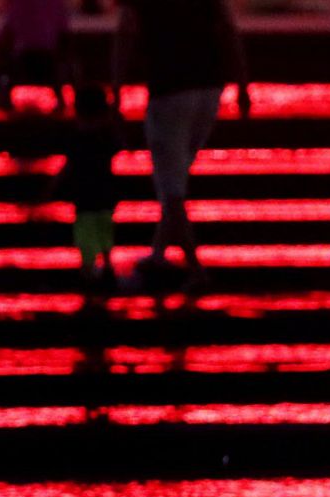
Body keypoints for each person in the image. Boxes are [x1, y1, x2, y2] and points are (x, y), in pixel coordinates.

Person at [112, 0, 250, 292]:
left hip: (170, 89)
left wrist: (116, 90)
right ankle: (158, 256)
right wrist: (241, 84)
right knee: (176, 177)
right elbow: (227, 28)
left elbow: (126, 34)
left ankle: (195, 268)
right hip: (208, 86)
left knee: (171, 186)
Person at [49, 84, 121, 290]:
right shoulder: (106, 136)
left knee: (85, 232)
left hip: (83, 195)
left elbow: (68, 165)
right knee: (104, 229)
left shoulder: (77, 138)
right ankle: (107, 265)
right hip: (105, 192)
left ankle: (88, 270)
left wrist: (52, 186)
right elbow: (120, 144)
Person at [0, 0, 73, 113]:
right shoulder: (56, 3)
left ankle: (0, 97)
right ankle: (61, 99)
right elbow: (64, 33)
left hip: (22, 62)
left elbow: (6, 34)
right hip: (49, 61)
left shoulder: (16, 4)